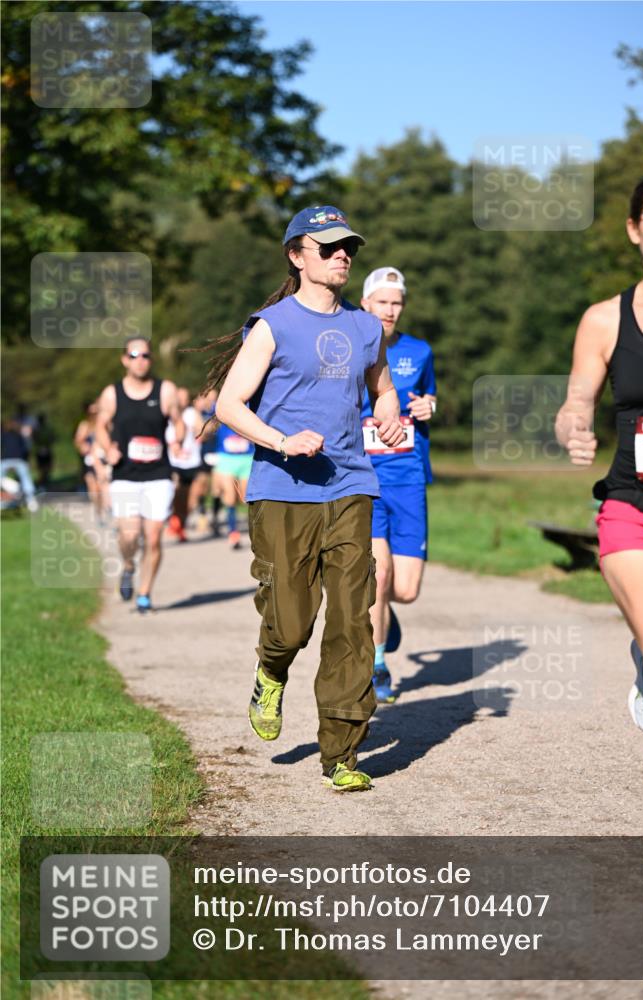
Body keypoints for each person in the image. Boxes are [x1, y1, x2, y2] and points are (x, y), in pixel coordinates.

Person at [208, 205, 403, 792]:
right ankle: (271, 671)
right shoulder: (272, 325)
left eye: (349, 247)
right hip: (282, 489)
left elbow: (383, 388)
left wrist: (389, 415)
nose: (343, 253)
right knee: (291, 624)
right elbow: (228, 405)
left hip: (350, 486)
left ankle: (341, 752)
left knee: (352, 620)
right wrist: (282, 441)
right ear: (298, 256)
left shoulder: (367, 328)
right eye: (330, 246)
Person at [555, 168, 643, 891]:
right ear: (634, 229)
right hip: (633, 512)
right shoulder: (605, 319)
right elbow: (574, 401)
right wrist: (573, 429)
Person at [359, 267, 437, 702]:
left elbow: (429, 395)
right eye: (382, 301)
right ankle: (378, 663)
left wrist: (430, 405)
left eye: (397, 302)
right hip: (366, 478)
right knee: (379, 572)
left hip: (409, 477)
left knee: (404, 589)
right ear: (366, 303)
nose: (390, 309)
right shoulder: (351, 347)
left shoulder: (419, 351)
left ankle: (384, 609)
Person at [96, 337, 185, 613]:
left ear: (151, 359)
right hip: (125, 474)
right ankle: (128, 564)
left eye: (145, 355)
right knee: (130, 536)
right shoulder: (112, 393)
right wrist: (107, 447)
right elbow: (100, 425)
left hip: (158, 474)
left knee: (154, 537)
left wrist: (177, 440)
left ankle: (144, 593)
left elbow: (178, 422)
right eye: (134, 355)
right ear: (124, 359)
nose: (140, 360)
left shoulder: (165, 390)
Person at [166, 388, 209, 542]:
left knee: (192, 499)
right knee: (176, 493)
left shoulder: (192, 414)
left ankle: (180, 524)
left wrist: (203, 430)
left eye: (185, 398)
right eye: (180, 398)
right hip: (174, 462)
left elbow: (203, 431)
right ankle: (174, 519)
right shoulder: (168, 413)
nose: (183, 401)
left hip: (192, 461)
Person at [211, 422, 254, 548]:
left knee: (247, 498)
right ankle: (233, 533)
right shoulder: (219, 407)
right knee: (229, 496)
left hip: (246, 458)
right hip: (226, 459)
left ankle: (256, 530)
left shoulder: (252, 407)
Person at [74, 399, 111, 522]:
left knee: (104, 487)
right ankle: (98, 512)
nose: (95, 415)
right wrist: (84, 447)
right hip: (90, 460)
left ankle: (109, 510)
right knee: (94, 489)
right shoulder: (85, 425)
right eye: (93, 413)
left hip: (103, 459)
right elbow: (79, 441)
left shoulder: (107, 424)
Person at [0, 418, 39, 512]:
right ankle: (31, 500)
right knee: (26, 479)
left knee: (2, 478)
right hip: (18, 460)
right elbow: (25, 449)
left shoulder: (3, 436)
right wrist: (26, 460)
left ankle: (25, 496)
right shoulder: (19, 436)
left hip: (6, 460)